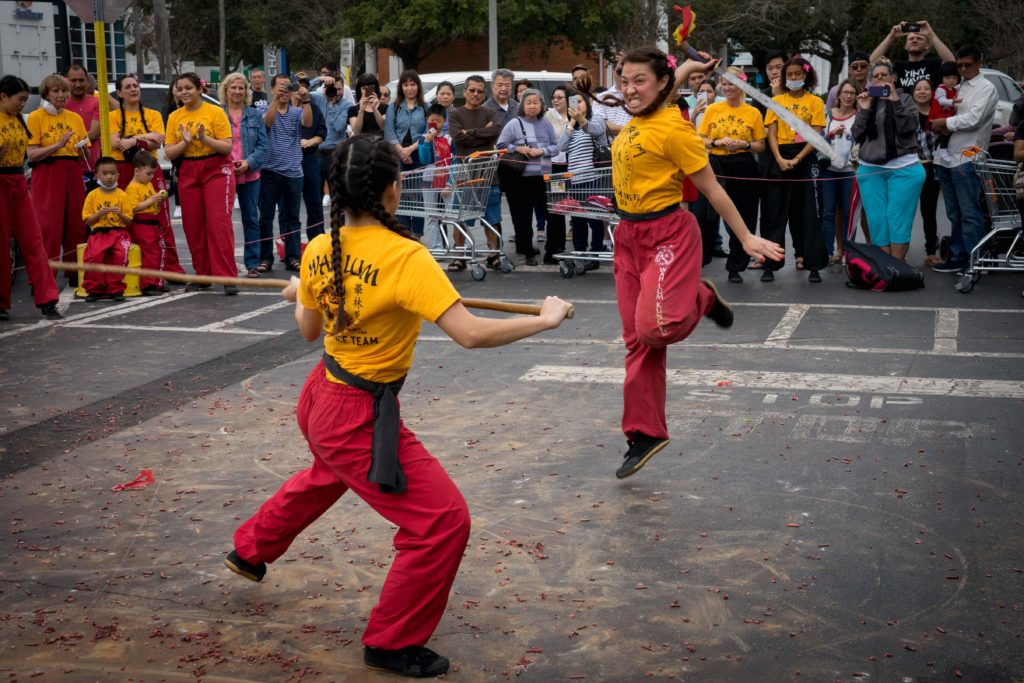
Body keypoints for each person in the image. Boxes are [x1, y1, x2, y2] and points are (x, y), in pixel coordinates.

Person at [225, 133, 573, 678]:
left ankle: (250, 548)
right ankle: (391, 641)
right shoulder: (407, 257)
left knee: (329, 472)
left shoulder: (321, 247)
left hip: (322, 398)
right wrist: (544, 319)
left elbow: (307, 333)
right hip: (356, 414)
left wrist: (302, 293)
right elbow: (472, 335)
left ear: (334, 190)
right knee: (442, 522)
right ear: (393, 189)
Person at [581, 47, 782, 478]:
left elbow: (712, 190)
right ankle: (645, 432)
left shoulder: (675, 129)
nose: (630, 89)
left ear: (657, 85)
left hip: (668, 235)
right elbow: (669, 85)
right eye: (625, 79)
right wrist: (690, 66)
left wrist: (745, 237)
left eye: (640, 81)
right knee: (637, 340)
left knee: (657, 328)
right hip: (628, 238)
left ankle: (701, 298)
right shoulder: (649, 110)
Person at [164, 73, 239, 295]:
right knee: (193, 225)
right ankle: (203, 275)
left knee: (219, 224)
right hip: (188, 170)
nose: (184, 92)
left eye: (188, 88)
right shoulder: (175, 117)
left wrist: (204, 139)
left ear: (199, 89)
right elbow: (169, 152)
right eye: (180, 89)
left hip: (216, 169)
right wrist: (185, 142)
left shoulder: (215, 112)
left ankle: (227, 277)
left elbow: (227, 148)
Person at [110, 73, 186, 282]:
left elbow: (158, 140)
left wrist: (133, 141)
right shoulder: (113, 116)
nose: (134, 89)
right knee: (125, 215)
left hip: (150, 170)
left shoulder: (152, 114)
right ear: (119, 93)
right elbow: (116, 144)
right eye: (128, 87)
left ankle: (170, 267)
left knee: (160, 217)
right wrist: (145, 137)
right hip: (124, 169)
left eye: (136, 86)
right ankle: (129, 268)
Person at [930, 46, 999, 274]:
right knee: (955, 212)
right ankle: (959, 256)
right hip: (948, 156)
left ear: (979, 62)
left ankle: (975, 259)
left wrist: (945, 124)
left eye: (968, 65)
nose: (963, 69)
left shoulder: (986, 88)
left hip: (969, 156)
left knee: (970, 212)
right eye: (959, 65)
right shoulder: (959, 87)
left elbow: (975, 119)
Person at [761, 56, 828, 283]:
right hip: (779, 157)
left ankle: (813, 265)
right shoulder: (777, 100)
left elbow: (816, 132)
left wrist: (799, 158)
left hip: (805, 158)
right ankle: (769, 264)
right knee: (774, 213)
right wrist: (779, 158)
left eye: (797, 74)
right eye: (789, 75)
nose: (793, 78)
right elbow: (771, 131)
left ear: (806, 75)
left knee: (809, 212)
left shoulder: (815, 102)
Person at [0, 75, 61, 321]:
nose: (22, 104)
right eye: (20, 99)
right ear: (3, 97)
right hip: (1, 182)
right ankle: (1, 303)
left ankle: (47, 300)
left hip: (18, 182)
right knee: (2, 246)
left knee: (34, 241)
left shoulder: (18, 120)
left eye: (25, 100)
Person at [697, 66, 766, 282]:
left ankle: (736, 266)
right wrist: (716, 142)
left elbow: (760, 145)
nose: (727, 88)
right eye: (724, 84)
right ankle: (700, 260)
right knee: (705, 214)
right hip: (716, 164)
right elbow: (700, 138)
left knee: (743, 216)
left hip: (743, 164)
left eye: (731, 84)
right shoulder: (713, 110)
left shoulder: (753, 112)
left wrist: (744, 144)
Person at [850, 62, 925, 262]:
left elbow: (909, 127)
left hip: (904, 168)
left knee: (897, 218)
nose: (881, 79)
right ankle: (884, 267)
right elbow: (856, 134)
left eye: (885, 75)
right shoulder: (868, 102)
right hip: (871, 169)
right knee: (877, 220)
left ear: (894, 78)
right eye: (876, 76)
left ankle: (896, 266)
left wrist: (895, 101)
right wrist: (864, 110)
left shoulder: (905, 98)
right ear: (870, 81)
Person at [26, 73, 89, 270]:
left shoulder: (75, 118)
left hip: (72, 171)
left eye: (64, 91)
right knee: (48, 225)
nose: (61, 95)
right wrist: (57, 144)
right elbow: (32, 154)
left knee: (76, 224)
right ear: (46, 93)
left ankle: (74, 271)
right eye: (56, 91)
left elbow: (85, 151)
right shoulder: (36, 117)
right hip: (47, 172)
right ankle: (43, 274)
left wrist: (83, 149)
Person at [496, 88, 558, 265]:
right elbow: (501, 145)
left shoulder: (546, 124)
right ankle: (527, 250)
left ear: (542, 105)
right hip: (521, 178)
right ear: (522, 105)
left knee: (550, 214)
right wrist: (518, 148)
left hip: (544, 177)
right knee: (523, 216)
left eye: (536, 102)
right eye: (528, 102)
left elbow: (555, 147)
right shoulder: (514, 123)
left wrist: (542, 151)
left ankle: (551, 250)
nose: (532, 106)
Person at [258, 74, 313, 274]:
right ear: (272, 90)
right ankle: (265, 258)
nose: (283, 92)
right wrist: (276, 101)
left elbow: (308, 123)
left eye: (287, 88)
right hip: (269, 170)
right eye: (279, 88)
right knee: (265, 216)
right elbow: (268, 122)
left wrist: (305, 99)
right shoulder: (264, 108)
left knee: (292, 217)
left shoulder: (297, 111)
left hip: (294, 171)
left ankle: (292, 256)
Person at [447, 74, 501, 271]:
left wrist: (468, 132)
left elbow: (494, 131)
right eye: (472, 90)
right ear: (465, 92)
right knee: (460, 217)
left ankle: (493, 254)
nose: (476, 94)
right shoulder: (454, 113)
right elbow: (457, 139)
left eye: (480, 91)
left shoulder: (490, 112)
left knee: (492, 217)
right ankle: (459, 255)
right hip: (464, 173)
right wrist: (481, 133)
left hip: (489, 174)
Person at [220, 72, 268, 278]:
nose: (238, 91)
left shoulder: (255, 115)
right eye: (233, 88)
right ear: (226, 90)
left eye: (241, 88)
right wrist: (230, 164)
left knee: (251, 218)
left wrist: (249, 163)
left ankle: (252, 263)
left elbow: (263, 145)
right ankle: (225, 262)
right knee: (223, 220)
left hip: (250, 174)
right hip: (223, 174)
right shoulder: (217, 113)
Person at [555, 87, 608, 267]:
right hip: (576, 180)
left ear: (587, 102)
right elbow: (560, 147)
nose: (576, 104)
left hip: (595, 178)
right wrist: (571, 123)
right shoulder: (571, 125)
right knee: (578, 219)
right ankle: (580, 253)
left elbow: (596, 131)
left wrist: (581, 119)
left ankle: (595, 254)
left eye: (580, 101)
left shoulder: (596, 119)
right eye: (573, 102)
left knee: (595, 218)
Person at [80, 157, 132, 302]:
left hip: (119, 233)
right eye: (104, 173)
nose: (109, 177)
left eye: (112, 173)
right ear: (97, 175)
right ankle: (94, 289)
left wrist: (120, 214)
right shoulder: (92, 195)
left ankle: (116, 289)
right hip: (99, 233)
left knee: (120, 257)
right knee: (93, 258)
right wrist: (98, 214)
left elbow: (128, 221)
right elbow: (87, 220)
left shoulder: (122, 194)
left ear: (118, 175)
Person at [385, 69, 428, 237]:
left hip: (418, 153)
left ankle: (417, 232)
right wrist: (402, 151)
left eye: (413, 84)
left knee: (416, 194)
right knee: (399, 194)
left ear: (418, 86)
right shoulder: (394, 108)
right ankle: (403, 232)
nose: (409, 88)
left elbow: (427, 133)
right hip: (397, 154)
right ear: (401, 87)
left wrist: (410, 149)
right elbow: (389, 132)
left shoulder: (426, 107)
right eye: (406, 84)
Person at [821, 78, 859, 264]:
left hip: (849, 170)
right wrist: (830, 134)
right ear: (839, 94)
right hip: (828, 170)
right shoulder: (828, 114)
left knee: (847, 213)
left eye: (853, 93)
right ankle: (827, 252)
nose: (849, 96)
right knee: (828, 212)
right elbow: (817, 139)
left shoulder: (860, 115)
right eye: (846, 92)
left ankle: (845, 251)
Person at [124, 150, 169, 294]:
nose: (151, 177)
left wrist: (157, 200)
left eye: (153, 174)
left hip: (152, 223)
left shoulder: (146, 184)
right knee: (150, 254)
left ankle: (157, 281)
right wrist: (151, 200)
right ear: (137, 171)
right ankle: (148, 284)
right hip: (142, 224)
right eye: (148, 173)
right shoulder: (132, 187)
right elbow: (133, 208)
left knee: (157, 252)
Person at [309, 73, 354, 208]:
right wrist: (319, 79)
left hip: (335, 153)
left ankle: (338, 228)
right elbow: (300, 91)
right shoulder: (318, 98)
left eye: (339, 89)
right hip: (316, 152)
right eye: (332, 88)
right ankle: (317, 229)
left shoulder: (346, 105)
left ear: (343, 89)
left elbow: (340, 127)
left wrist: (332, 104)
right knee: (314, 196)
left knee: (337, 197)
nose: (336, 92)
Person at [870, 20, 955, 91]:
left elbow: (952, 64)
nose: (914, 40)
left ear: (927, 46)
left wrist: (931, 35)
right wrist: (891, 37)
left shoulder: (934, 65)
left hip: (930, 110)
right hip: (901, 109)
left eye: (919, 38)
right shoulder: (898, 67)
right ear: (906, 46)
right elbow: (870, 63)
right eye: (911, 39)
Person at [911, 78, 942, 266]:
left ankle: (931, 251)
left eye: (926, 88)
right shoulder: (907, 114)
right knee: (905, 211)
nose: (922, 91)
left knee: (928, 211)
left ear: (932, 92)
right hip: (910, 167)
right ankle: (897, 250)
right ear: (913, 92)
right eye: (918, 89)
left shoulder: (939, 114)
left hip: (932, 167)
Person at [293, 76, 328, 240]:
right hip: (289, 162)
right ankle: (290, 245)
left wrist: (310, 141)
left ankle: (317, 240)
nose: (301, 89)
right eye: (297, 86)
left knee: (314, 203)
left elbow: (322, 134)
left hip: (309, 158)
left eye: (304, 86)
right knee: (289, 206)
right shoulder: (284, 109)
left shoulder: (314, 108)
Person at [417, 104, 453, 251]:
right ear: (427, 120)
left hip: (447, 178)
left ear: (444, 121)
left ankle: (460, 244)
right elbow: (424, 160)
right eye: (432, 120)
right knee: (431, 214)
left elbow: (455, 160)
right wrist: (427, 142)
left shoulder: (450, 139)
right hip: (429, 178)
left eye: (439, 121)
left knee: (454, 213)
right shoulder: (423, 139)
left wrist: (450, 182)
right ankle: (437, 247)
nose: (436, 124)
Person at [542, 85, 572, 263]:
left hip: (574, 166)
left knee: (577, 207)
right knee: (556, 208)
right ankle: (554, 247)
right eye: (554, 97)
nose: (556, 100)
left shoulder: (576, 115)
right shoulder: (547, 116)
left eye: (560, 97)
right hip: (555, 167)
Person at [64, 64, 102, 177]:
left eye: (81, 80)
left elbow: (94, 133)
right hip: (66, 166)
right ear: (67, 81)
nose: (78, 84)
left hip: (90, 167)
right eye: (73, 80)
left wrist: (64, 142)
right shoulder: (61, 103)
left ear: (87, 82)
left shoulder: (96, 102)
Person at [929, 61, 959, 149]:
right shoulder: (941, 89)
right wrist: (952, 102)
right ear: (942, 78)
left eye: (954, 78)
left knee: (947, 133)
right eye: (948, 77)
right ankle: (941, 149)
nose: (951, 80)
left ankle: (941, 149)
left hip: (946, 114)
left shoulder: (955, 89)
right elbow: (942, 101)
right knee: (943, 133)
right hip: (939, 114)